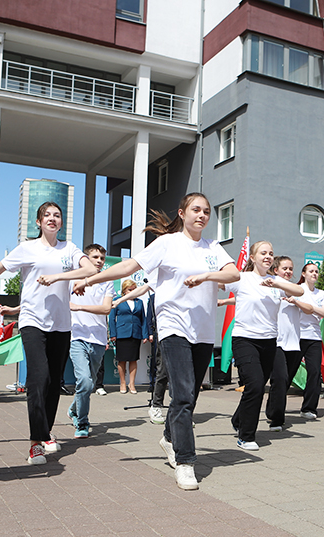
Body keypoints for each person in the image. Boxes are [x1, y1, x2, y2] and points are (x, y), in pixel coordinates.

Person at [73, 193, 238, 490]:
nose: (201, 215)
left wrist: (206, 275)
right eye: (195, 210)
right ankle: (186, 460)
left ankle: (169, 437)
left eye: (206, 212)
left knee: (189, 396)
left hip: (203, 332)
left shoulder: (213, 248)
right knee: (184, 394)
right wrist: (91, 279)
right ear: (182, 213)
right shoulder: (167, 243)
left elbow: (234, 272)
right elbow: (129, 267)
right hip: (174, 327)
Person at [0, 201, 97, 465]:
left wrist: (58, 278)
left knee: (54, 382)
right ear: (39, 222)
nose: (52, 219)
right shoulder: (27, 248)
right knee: (38, 379)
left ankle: (46, 430)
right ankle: (35, 443)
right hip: (32, 321)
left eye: (57, 215)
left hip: (61, 324)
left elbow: (90, 269)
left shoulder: (70, 249)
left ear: (61, 222)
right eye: (47, 216)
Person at [226, 242, 304, 450]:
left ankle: (237, 420)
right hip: (244, 339)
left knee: (258, 386)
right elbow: (218, 282)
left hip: (269, 341)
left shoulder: (276, 281)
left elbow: (299, 291)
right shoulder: (242, 278)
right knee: (255, 383)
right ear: (252, 257)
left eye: (271, 253)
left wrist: (277, 284)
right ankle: (246, 436)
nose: (268, 256)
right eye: (263, 253)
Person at [67, 244, 113, 439]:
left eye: (102, 258)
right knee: (84, 381)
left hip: (98, 339)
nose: (99, 261)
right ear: (87, 258)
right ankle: (82, 422)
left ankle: (73, 408)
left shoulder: (107, 282)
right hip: (77, 337)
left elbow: (106, 309)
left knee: (90, 383)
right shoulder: (72, 279)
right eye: (95, 257)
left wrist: (79, 307)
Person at [292, 262, 324, 420]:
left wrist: (309, 307)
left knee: (314, 372)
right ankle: (276, 407)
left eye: (316, 271)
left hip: (314, 337)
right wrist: (316, 309)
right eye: (311, 271)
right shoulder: (297, 290)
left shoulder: (321, 293)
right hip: (297, 336)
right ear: (303, 274)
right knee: (289, 372)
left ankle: (309, 408)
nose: (314, 274)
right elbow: (320, 310)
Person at [266, 256, 300, 431]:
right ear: (276, 270)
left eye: (290, 269)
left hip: (294, 342)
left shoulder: (295, 288)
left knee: (285, 383)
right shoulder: (273, 285)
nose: (288, 272)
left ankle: (272, 410)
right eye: (284, 268)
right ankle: (277, 419)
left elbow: (300, 294)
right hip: (277, 341)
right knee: (280, 379)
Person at [109, 279, 148, 394]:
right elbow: (111, 318)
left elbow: (143, 319)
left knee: (133, 359)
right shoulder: (117, 300)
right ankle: (122, 383)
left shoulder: (139, 302)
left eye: (134, 289)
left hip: (135, 333)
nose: (132, 291)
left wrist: (144, 334)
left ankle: (132, 383)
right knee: (122, 360)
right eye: (130, 289)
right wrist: (113, 334)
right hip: (122, 333)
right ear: (124, 290)